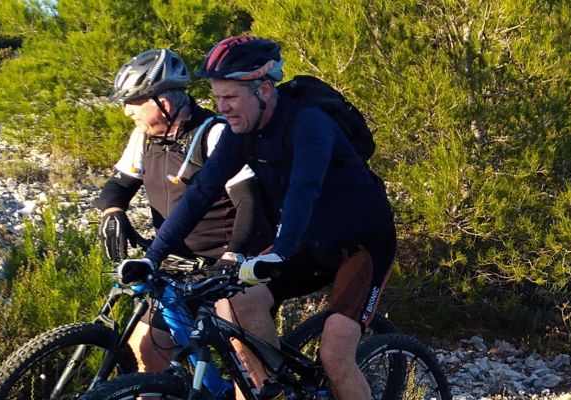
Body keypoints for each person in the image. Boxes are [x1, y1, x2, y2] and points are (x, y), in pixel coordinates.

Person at [116, 35, 396, 400]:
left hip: (361, 245)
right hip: (307, 240)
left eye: (230, 97)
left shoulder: (309, 123)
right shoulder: (241, 132)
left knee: (335, 355)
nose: (222, 107)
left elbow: (304, 189)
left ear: (264, 89)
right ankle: (271, 388)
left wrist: (278, 252)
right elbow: (200, 193)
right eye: (217, 97)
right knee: (234, 302)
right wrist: (152, 256)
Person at [94, 48, 265, 373]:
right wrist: (112, 212)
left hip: (224, 265)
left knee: (246, 362)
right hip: (176, 263)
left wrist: (233, 256)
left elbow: (248, 201)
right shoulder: (143, 138)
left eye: (134, 102)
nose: (126, 111)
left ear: (165, 103)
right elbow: (117, 186)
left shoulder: (214, 135)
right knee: (145, 348)